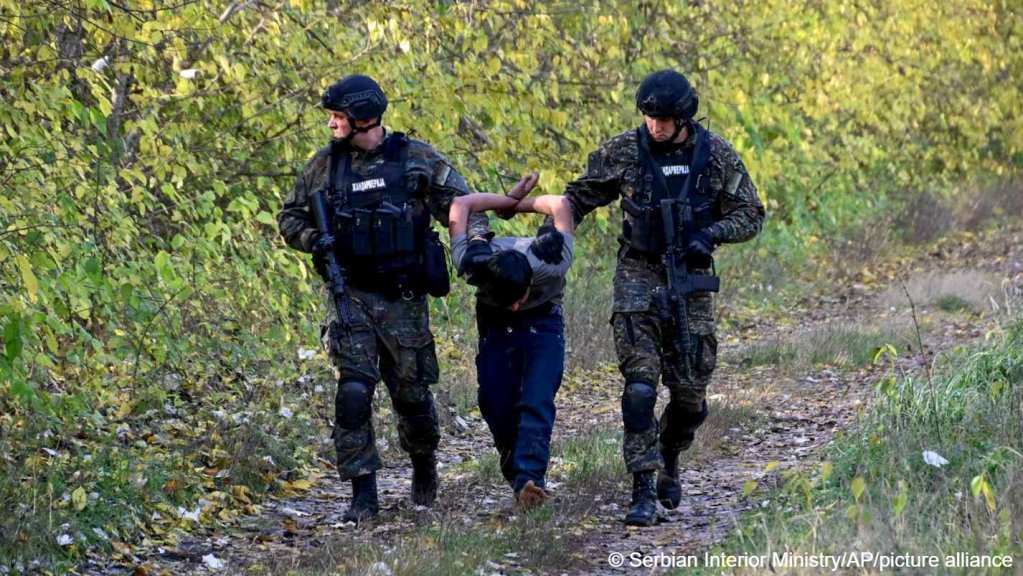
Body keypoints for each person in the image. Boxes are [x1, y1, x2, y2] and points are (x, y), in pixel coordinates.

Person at [534, 70, 765, 525]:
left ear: (684, 117)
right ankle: (641, 486)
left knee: (690, 397)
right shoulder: (626, 150)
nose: (654, 126)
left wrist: (712, 234)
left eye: (663, 119)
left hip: (689, 279)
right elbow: (579, 196)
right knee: (639, 390)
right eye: (648, 117)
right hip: (638, 273)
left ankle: (669, 451)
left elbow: (751, 213)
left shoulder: (714, 154)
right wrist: (552, 234)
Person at [276, 74, 491, 523]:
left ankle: (423, 463)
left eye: (339, 117)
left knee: (412, 397)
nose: (333, 125)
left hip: (404, 298)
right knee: (353, 392)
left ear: (364, 117)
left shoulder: (416, 159)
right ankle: (363, 494)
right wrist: (314, 238)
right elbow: (290, 217)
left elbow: (463, 205)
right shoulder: (324, 166)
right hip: (350, 293)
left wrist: (476, 248)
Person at [447, 174, 575, 510]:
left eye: (518, 298)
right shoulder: (471, 263)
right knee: (494, 401)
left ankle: (530, 482)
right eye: (511, 302)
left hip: (543, 320)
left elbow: (560, 204)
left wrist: (519, 206)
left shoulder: (551, 263)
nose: (516, 305)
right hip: (494, 323)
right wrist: (505, 202)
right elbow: (461, 205)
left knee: (536, 398)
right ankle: (515, 466)